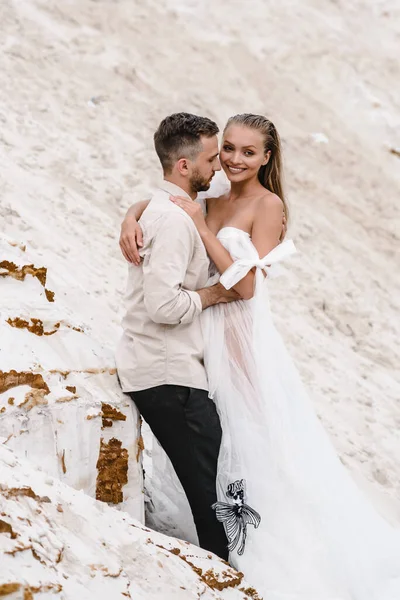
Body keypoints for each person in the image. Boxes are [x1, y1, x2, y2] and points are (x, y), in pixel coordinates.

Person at [120, 113, 400, 599]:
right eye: (227, 148)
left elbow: (246, 285)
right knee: (217, 437)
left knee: (247, 434)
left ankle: (257, 541)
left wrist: (202, 231)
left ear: (267, 157)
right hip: (200, 327)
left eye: (248, 152)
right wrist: (131, 214)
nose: (233, 159)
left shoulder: (268, 206)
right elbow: (168, 200)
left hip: (237, 331)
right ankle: (218, 527)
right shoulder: (210, 196)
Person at [116, 112, 241, 560]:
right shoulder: (172, 220)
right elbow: (163, 306)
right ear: (185, 167)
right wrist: (214, 294)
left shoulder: (175, 205)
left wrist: (132, 212)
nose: (220, 167)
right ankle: (225, 575)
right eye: (212, 158)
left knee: (217, 483)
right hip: (167, 376)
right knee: (214, 496)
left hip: (174, 370)